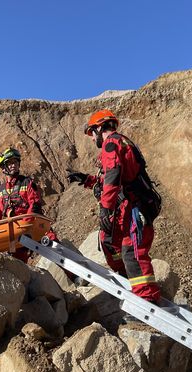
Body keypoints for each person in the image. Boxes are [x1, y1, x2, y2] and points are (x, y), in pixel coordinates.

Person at [67, 110, 161, 303]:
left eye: (92, 133)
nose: (93, 139)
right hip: (128, 208)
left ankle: (148, 300)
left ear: (100, 127)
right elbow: (107, 179)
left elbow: (112, 177)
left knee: (132, 252)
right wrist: (86, 180)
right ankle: (129, 283)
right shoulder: (121, 143)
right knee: (109, 241)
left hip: (134, 208)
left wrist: (105, 208)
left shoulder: (111, 143)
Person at [0, 147, 55, 262]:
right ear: (3, 167)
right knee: (17, 263)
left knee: (53, 246)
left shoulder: (27, 183)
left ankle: (75, 275)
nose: (13, 165)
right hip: (15, 233)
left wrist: (26, 225)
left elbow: (35, 204)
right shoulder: (0, 191)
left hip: (33, 226)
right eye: (10, 163)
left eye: (15, 162)